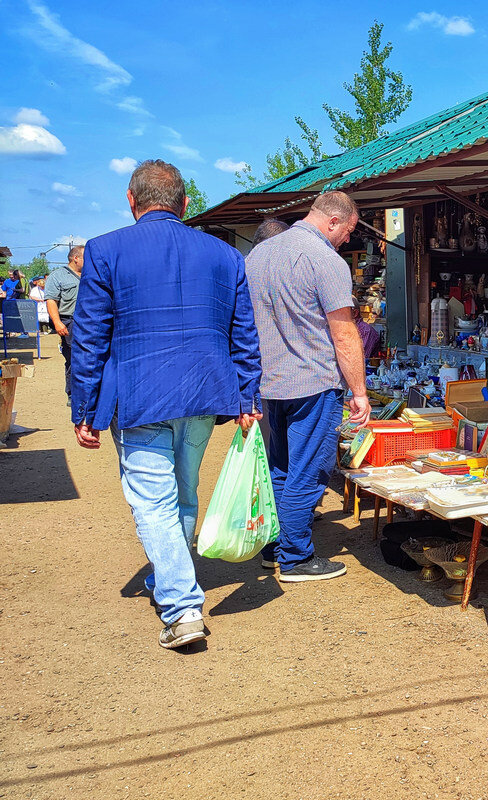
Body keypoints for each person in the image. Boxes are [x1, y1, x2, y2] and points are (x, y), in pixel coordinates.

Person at [71, 159, 262, 649]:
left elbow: (90, 336)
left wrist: (83, 407)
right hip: (203, 393)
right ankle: (169, 580)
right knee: (183, 492)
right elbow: (244, 335)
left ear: (131, 201)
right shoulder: (224, 256)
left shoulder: (105, 250)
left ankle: (181, 607)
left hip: (139, 395)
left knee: (153, 502)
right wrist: (247, 395)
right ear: (184, 203)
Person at [245, 191, 370, 582]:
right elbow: (344, 333)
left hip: (270, 381)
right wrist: (359, 391)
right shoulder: (325, 260)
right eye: (347, 231)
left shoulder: (258, 255)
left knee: (280, 467)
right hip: (312, 381)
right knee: (310, 470)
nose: (347, 240)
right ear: (333, 221)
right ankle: (297, 556)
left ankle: (274, 547)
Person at [44, 247, 84, 401]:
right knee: (74, 357)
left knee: (90, 357)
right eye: (85, 257)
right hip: (69, 321)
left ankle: (89, 392)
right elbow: (51, 301)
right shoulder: (57, 276)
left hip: (89, 322)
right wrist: (58, 322)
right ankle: (73, 394)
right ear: (75, 258)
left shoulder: (91, 274)